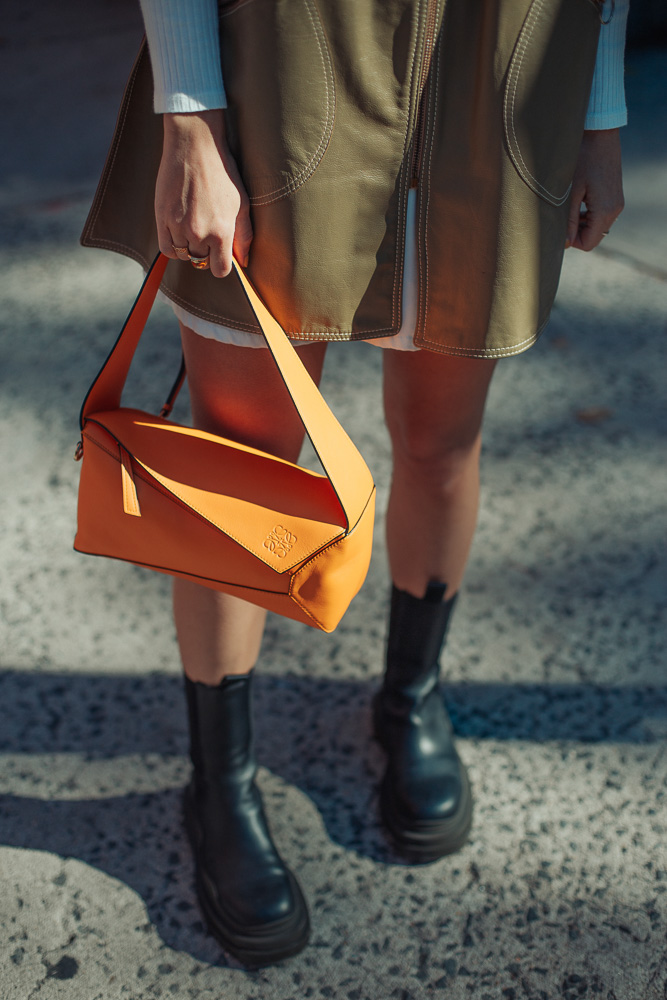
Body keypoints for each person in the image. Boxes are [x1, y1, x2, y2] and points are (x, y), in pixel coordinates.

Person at [83, 0, 628, 967]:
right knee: (243, 473)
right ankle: (221, 781)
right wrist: (190, 119)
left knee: (440, 443)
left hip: (498, 87)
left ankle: (410, 697)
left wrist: (598, 113)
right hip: (287, 81)